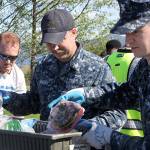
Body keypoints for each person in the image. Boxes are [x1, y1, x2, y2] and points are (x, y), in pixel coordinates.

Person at [0, 9, 126, 139]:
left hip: (82, 144)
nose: (54, 47)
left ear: (74, 33)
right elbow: (34, 102)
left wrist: (88, 126)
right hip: (49, 143)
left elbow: (118, 114)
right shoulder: (43, 66)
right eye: (49, 42)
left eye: (59, 40)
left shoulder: (98, 67)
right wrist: (6, 97)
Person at [50, 0, 150, 149]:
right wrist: (86, 94)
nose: (128, 40)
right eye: (126, 32)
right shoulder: (144, 66)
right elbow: (128, 93)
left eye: (135, 30)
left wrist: (108, 136)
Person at [0, 32, 26, 115]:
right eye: (3, 56)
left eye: (12, 58)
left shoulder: (18, 75)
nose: (8, 62)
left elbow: (20, 107)